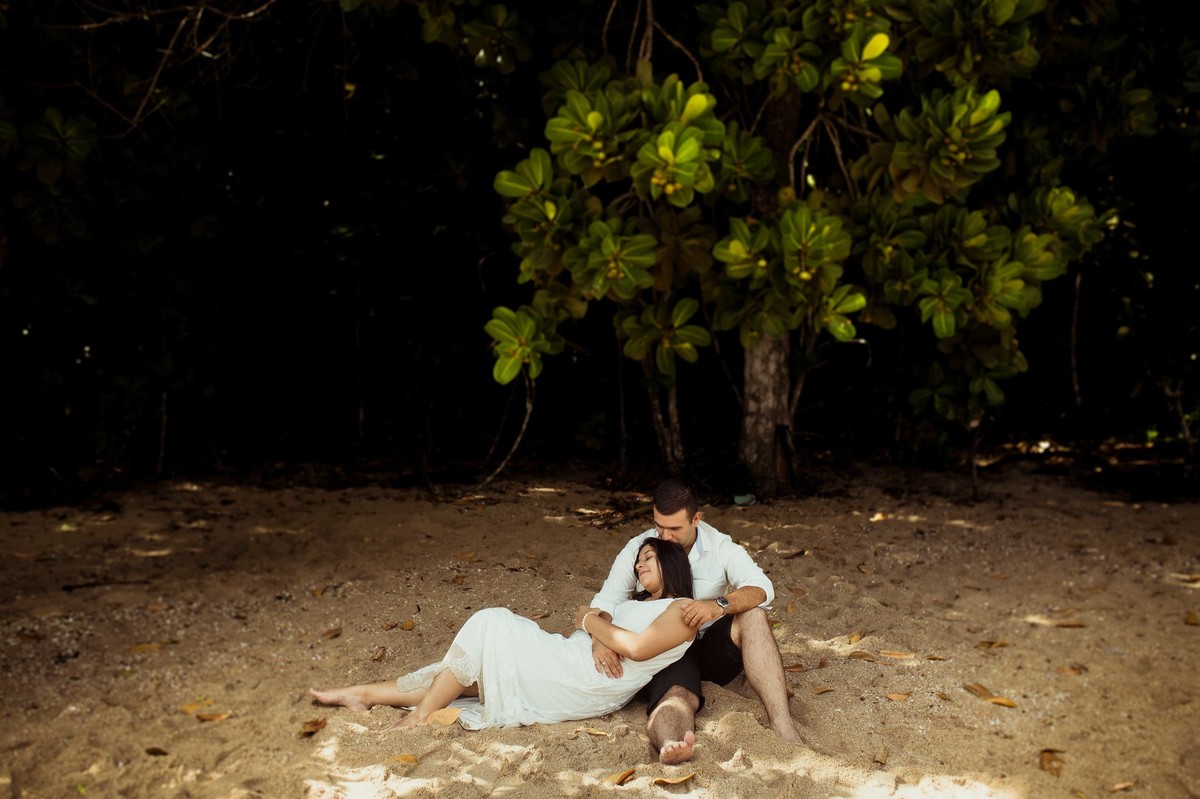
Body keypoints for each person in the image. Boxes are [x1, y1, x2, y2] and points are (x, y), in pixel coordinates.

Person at [309, 538, 695, 731]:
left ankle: (418, 718)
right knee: (466, 675)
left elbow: (636, 647)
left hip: (582, 681)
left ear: (672, 563)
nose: (639, 565)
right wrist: (595, 633)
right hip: (567, 656)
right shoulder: (633, 603)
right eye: (638, 560)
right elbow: (586, 612)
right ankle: (363, 694)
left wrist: (593, 627)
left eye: (649, 557)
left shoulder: (681, 610)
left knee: (491, 622)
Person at [588, 478, 803, 764]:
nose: (665, 536)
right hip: (660, 648)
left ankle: (782, 724)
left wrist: (718, 605)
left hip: (707, 647)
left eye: (675, 529)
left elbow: (762, 589)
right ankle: (671, 744)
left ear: (696, 519)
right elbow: (606, 600)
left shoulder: (719, 546)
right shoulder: (640, 547)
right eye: (659, 526)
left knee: (754, 614)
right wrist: (598, 638)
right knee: (677, 696)